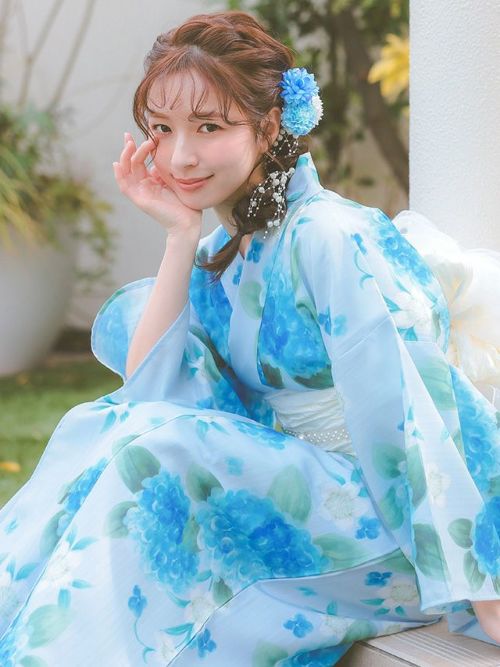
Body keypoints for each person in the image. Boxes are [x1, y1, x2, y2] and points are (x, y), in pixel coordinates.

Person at [0, 9, 499, 666]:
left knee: (161, 452)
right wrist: (179, 235)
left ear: (269, 126)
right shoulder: (225, 251)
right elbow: (147, 399)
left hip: (388, 528)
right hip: (293, 503)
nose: (180, 156)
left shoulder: (328, 235)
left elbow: (411, 411)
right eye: (162, 129)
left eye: (209, 126)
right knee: (100, 428)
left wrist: (483, 585)